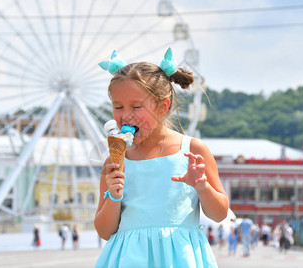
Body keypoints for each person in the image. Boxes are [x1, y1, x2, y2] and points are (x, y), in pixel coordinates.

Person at [94, 48, 229, 267]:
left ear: (162, 106)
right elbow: (104, 230)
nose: (125, 115)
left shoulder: (193, 150)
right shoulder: (115, 161)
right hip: (129, 259)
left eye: (136, 106)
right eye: (118, 107)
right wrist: (114, 196)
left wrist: (202, 187)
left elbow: (220, 213)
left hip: (180, 259)